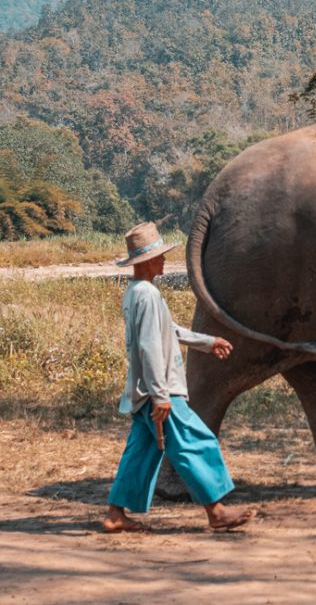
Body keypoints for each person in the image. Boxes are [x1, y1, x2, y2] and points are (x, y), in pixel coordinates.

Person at [102, 222, 255, 533]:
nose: (163, 261)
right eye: (159, 256)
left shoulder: (137, 292)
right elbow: (148, 345)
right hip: (160, 390)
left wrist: (207, 342)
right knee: (195, 443)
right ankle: (216, 511)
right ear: (145, 261)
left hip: (144, 392)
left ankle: (116, 514)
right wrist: (161, 394)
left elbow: (167, 331)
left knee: (140, 452)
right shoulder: (146, 294)